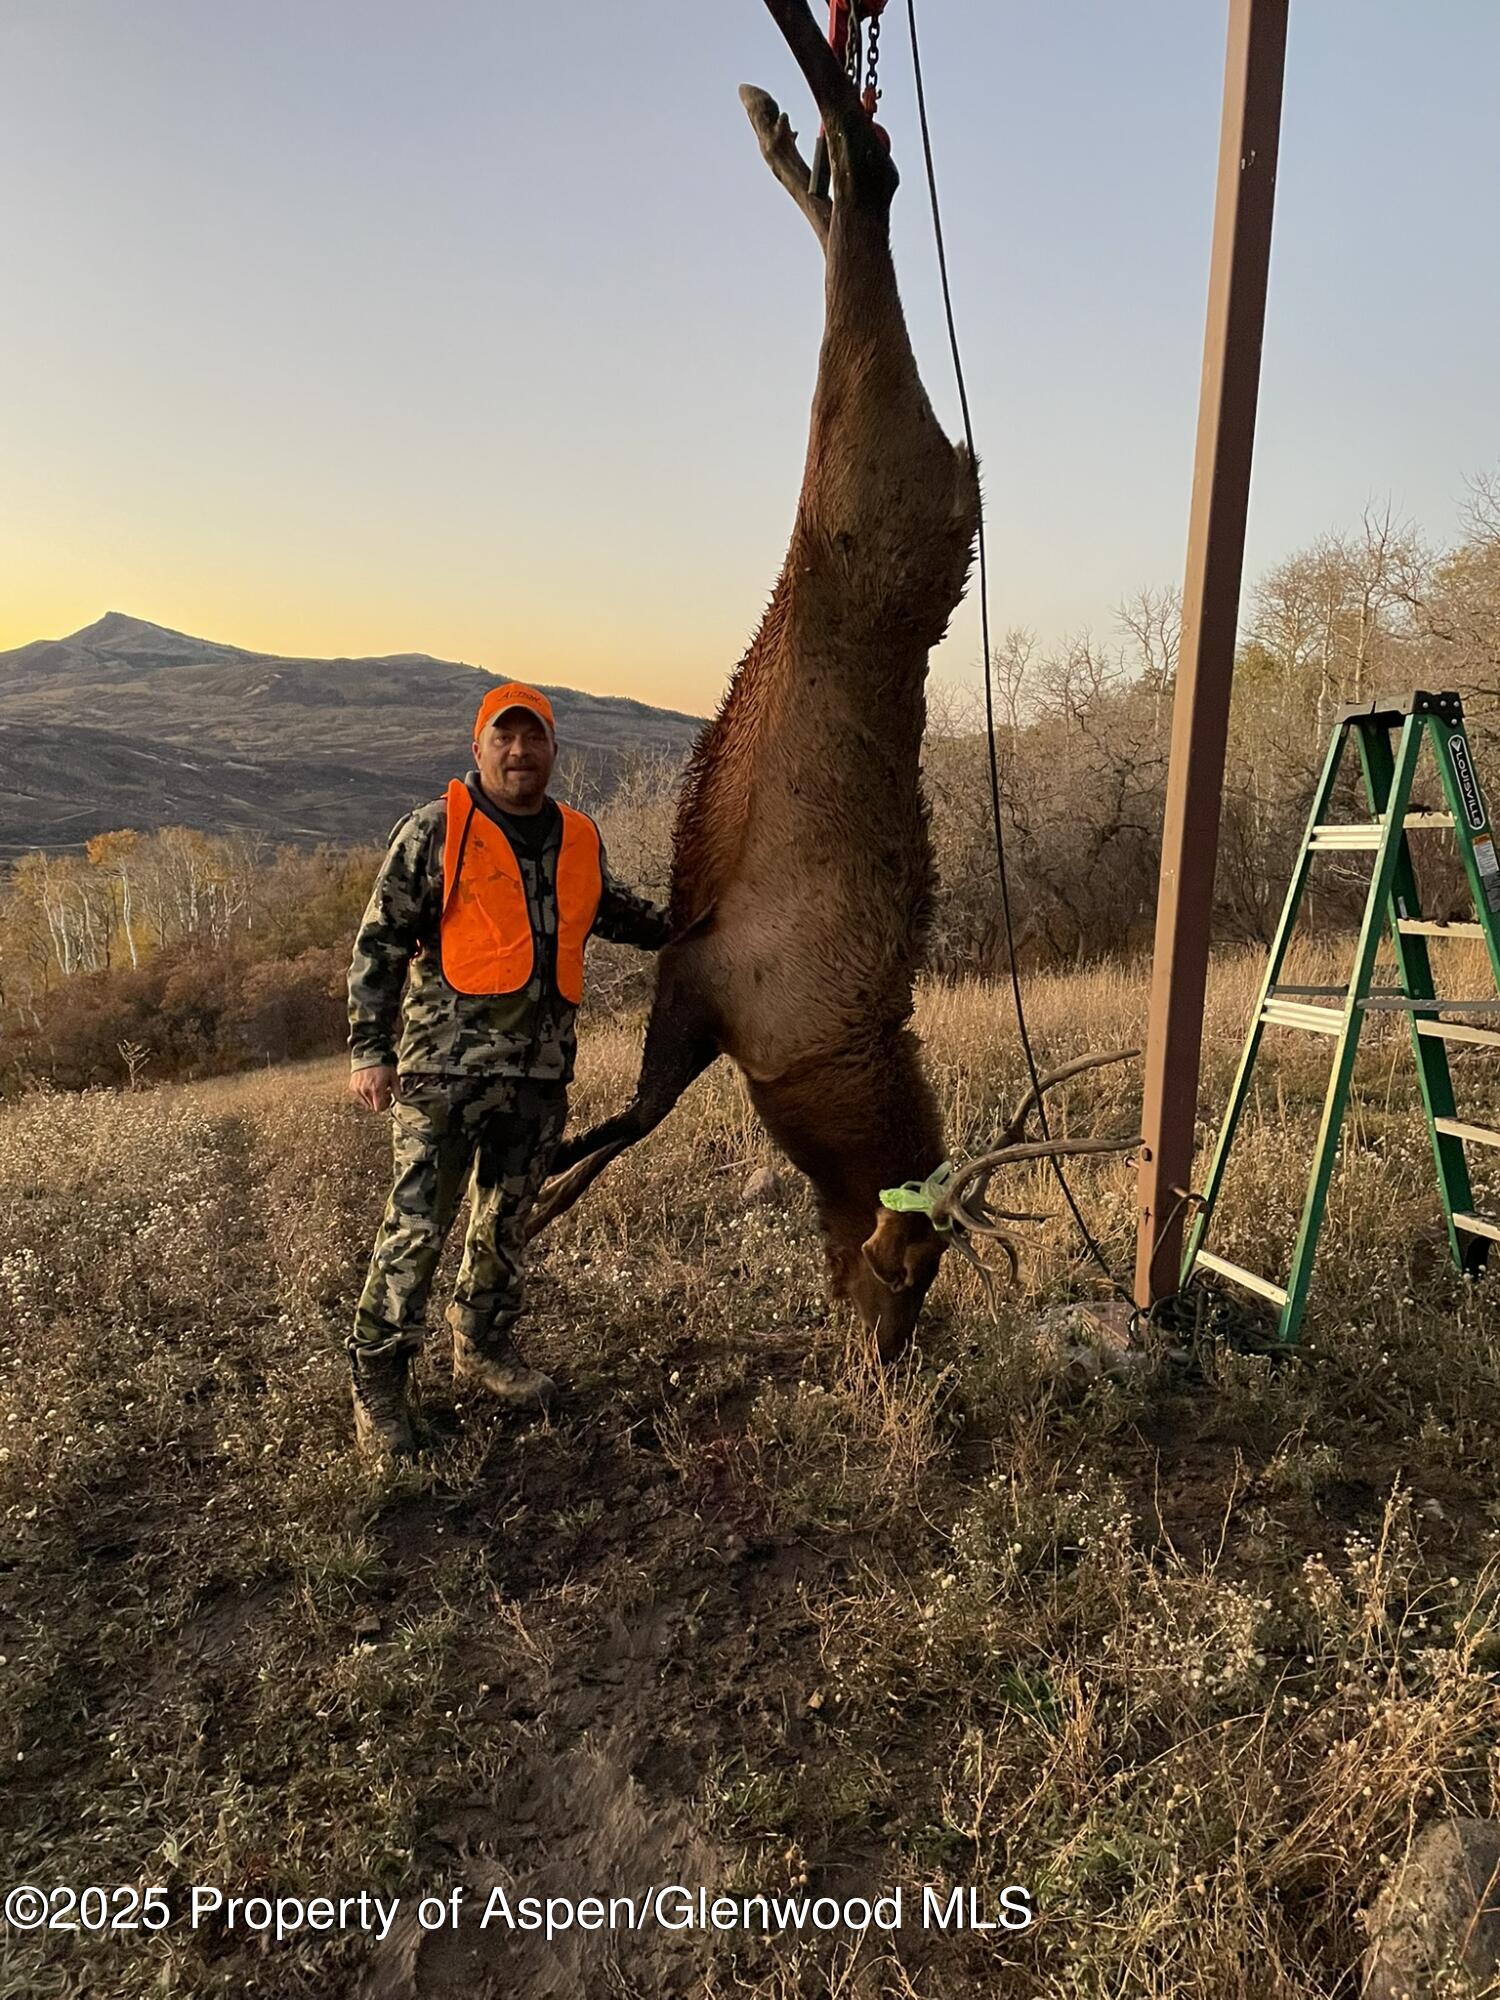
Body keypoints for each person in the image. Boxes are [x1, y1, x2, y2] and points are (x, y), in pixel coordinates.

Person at [344, 680, 670, 1460]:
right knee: (417, 1230)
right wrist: (369, 1050)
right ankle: (380, 1385)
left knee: (505, 1226)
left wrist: (708, 920)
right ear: (478, 747)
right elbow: (380, 942)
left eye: (534, 739)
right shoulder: (434, 831)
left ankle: (482, 1348)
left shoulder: (580, 838)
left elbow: (619, 914)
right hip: (441, 1078)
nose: (519, 752)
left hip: (539, 1076)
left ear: (554, 750)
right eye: (504, 737)